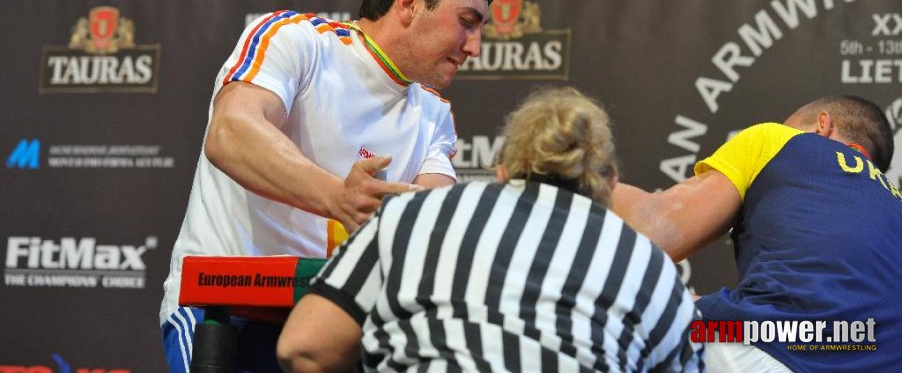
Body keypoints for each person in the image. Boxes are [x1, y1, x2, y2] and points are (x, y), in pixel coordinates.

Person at [159, 0, 498, 372]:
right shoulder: (298, 41)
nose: (474, 47)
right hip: (223, 312)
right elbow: (230, 132)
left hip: (333, 330)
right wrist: (338, 197)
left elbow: (430, 217)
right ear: (409, 3)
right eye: (467, 22)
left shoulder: (434, 114)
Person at [276, 87, 704, 372]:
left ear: (502, 170)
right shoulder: (650, 269)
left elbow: (306, 347)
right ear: (611, 182)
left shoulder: (413, 215)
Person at [612, 95, 901, 372]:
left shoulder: (782, 142)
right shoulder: (894, 205)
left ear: (822, 126)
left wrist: (578, 174)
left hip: (769, 346)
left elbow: (657, 230)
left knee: (621, 309)